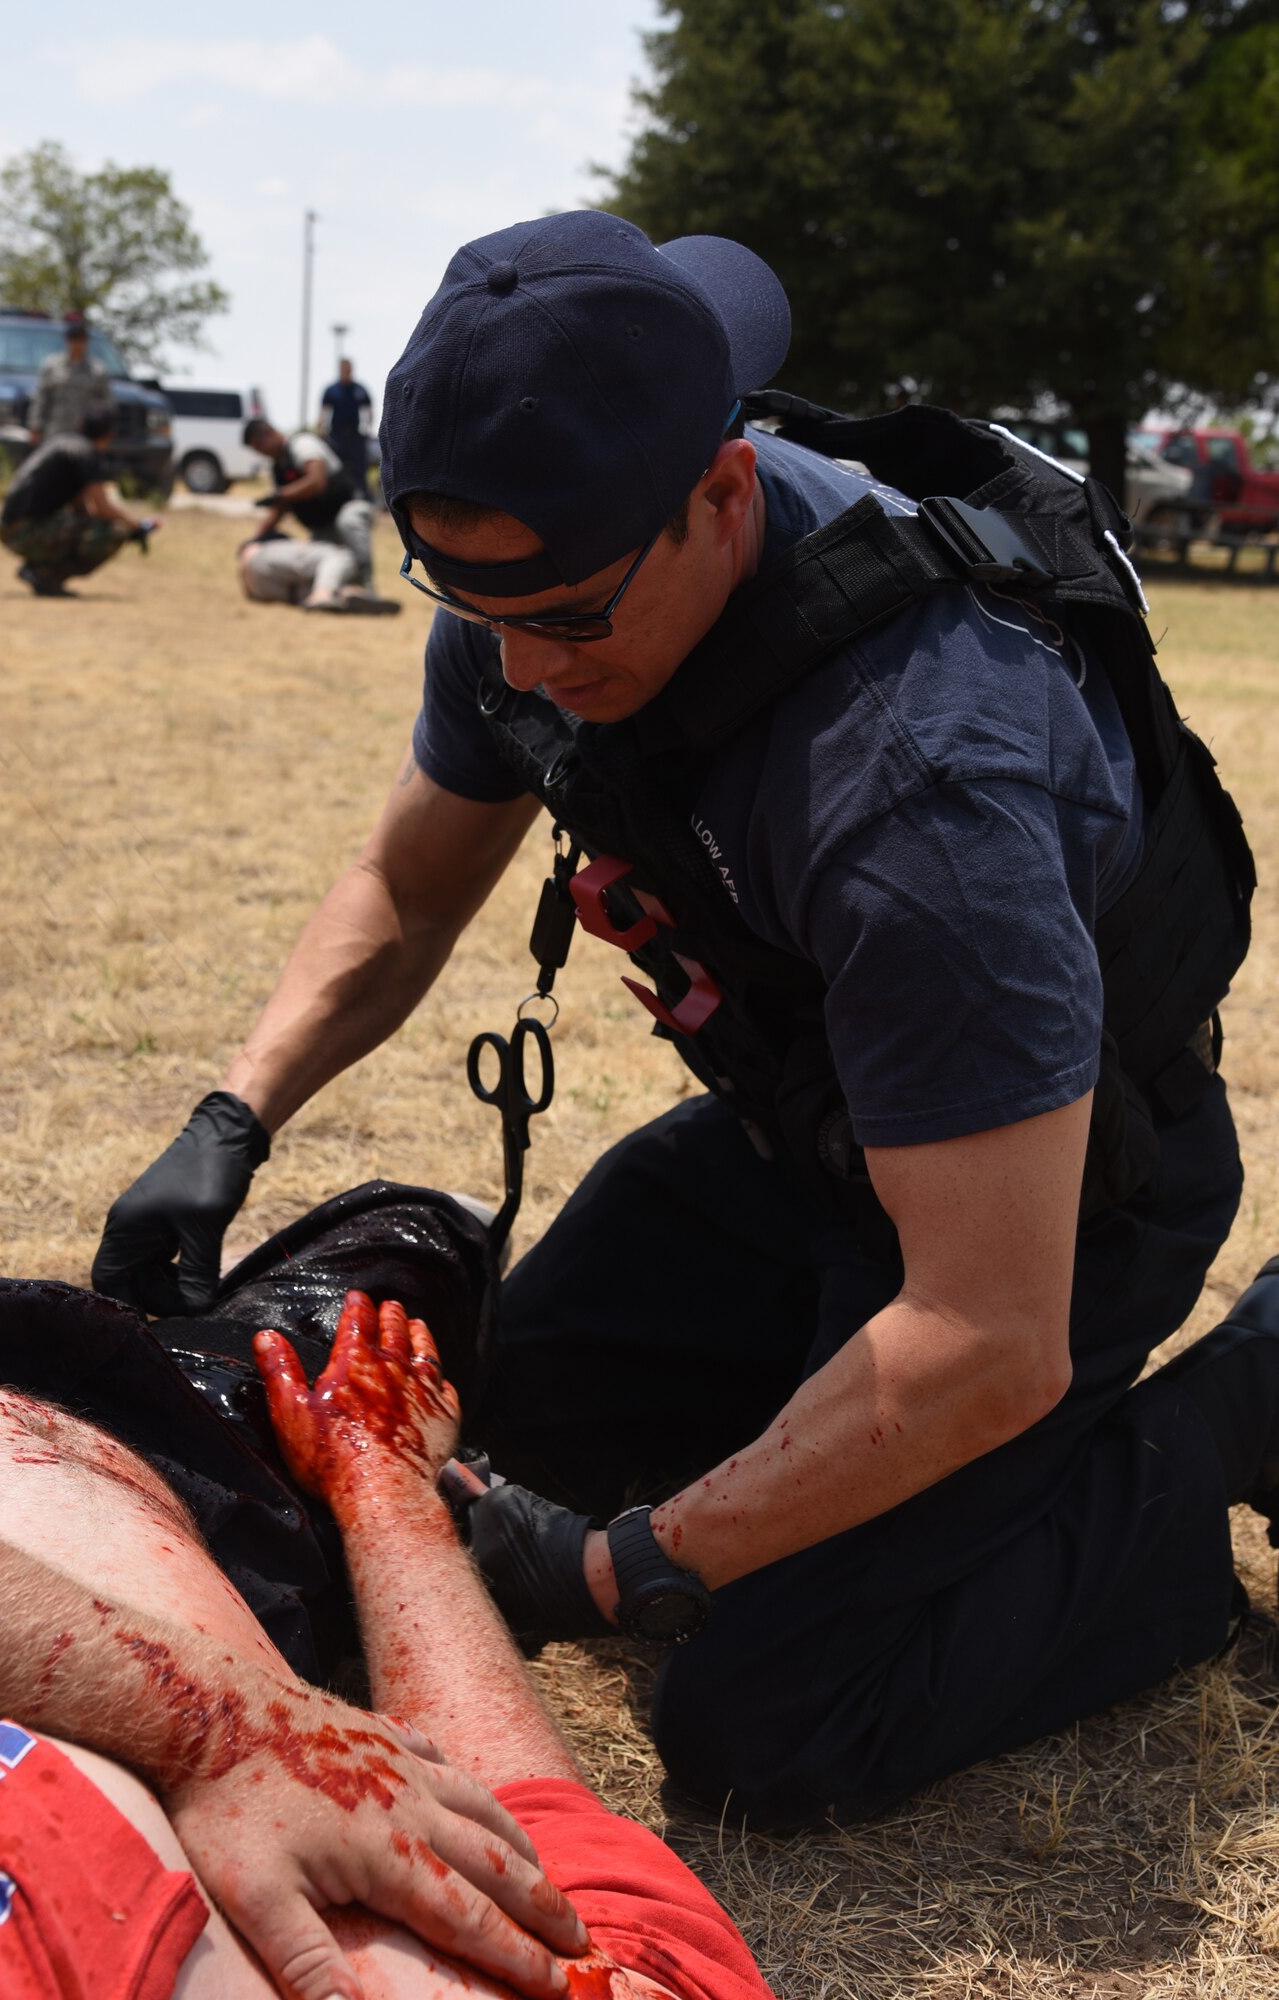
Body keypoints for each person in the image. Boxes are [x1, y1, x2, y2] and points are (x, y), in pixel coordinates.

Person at [93, 210, 1276, 1829]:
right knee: (478, 1424)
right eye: (468, 599)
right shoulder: (555, 556)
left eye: (569, 615)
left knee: (772, 1722)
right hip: (811, 1139)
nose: (516, 663)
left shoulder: (917, 783)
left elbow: (983, 1337)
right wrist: (232, 1117)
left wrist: (618, 1565)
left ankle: (1234, 1414)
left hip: (1048, 1209)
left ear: (722, 496)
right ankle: (809, 1439)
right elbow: (413, 885)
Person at [0, 1290, 773, 2000]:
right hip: (121, 1433)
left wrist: (218, 1731)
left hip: (67, 1413)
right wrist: (383, 1480)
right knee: (401, 1279)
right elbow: (524, 1832)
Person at [0, 404, 157, 596]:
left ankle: (40, 571)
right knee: (114, 532)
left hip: (9, 527)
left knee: (90, 527)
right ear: (109, 434)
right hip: (22, 531)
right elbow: (102, 508)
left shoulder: (65, 442)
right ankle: (44, 574)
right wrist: (137, 526)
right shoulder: (85, 453)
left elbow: (82, 507)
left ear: (81, 425)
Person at [245, 417, 377, 592]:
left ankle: (366, 585)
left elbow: (316, 481)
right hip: (324, 525)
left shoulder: (302, 444)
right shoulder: (279, 466)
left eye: (259, 446)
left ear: (269, 433)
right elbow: (279, 508)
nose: (261, 452)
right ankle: (342, 592)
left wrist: (281, 494)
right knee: (319, 561)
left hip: (351, 506)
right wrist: (255, 540)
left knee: (348, 522)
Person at [238, 530, 399, 614]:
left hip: (260, 590)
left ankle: (344, 594)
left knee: (314, 586)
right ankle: (324, 594)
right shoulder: (269, 544)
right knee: (341, 556)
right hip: (258, 557)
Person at [27, 311, 111, 445]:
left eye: (80, 340)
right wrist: (35, 426)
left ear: (86, 342)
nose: (77, 344)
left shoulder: (97, 370)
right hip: (55, 431)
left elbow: (107, 405)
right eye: (74, 339)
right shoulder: (52, 366)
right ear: (67, 341)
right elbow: (41, 398)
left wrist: (105, 432)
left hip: (85, 435)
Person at [321, 358, 374, 494]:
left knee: (360, 469)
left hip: (355, 435)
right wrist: (321, 430)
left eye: (348, 369)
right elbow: (324, 411)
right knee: (335, 468)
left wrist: (368, 429)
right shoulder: (332, 390)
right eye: (343, 369)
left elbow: (368, 409)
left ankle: (362, 496)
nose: (346, 371)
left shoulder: (359, 389)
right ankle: (337, 496)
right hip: (336, 436)